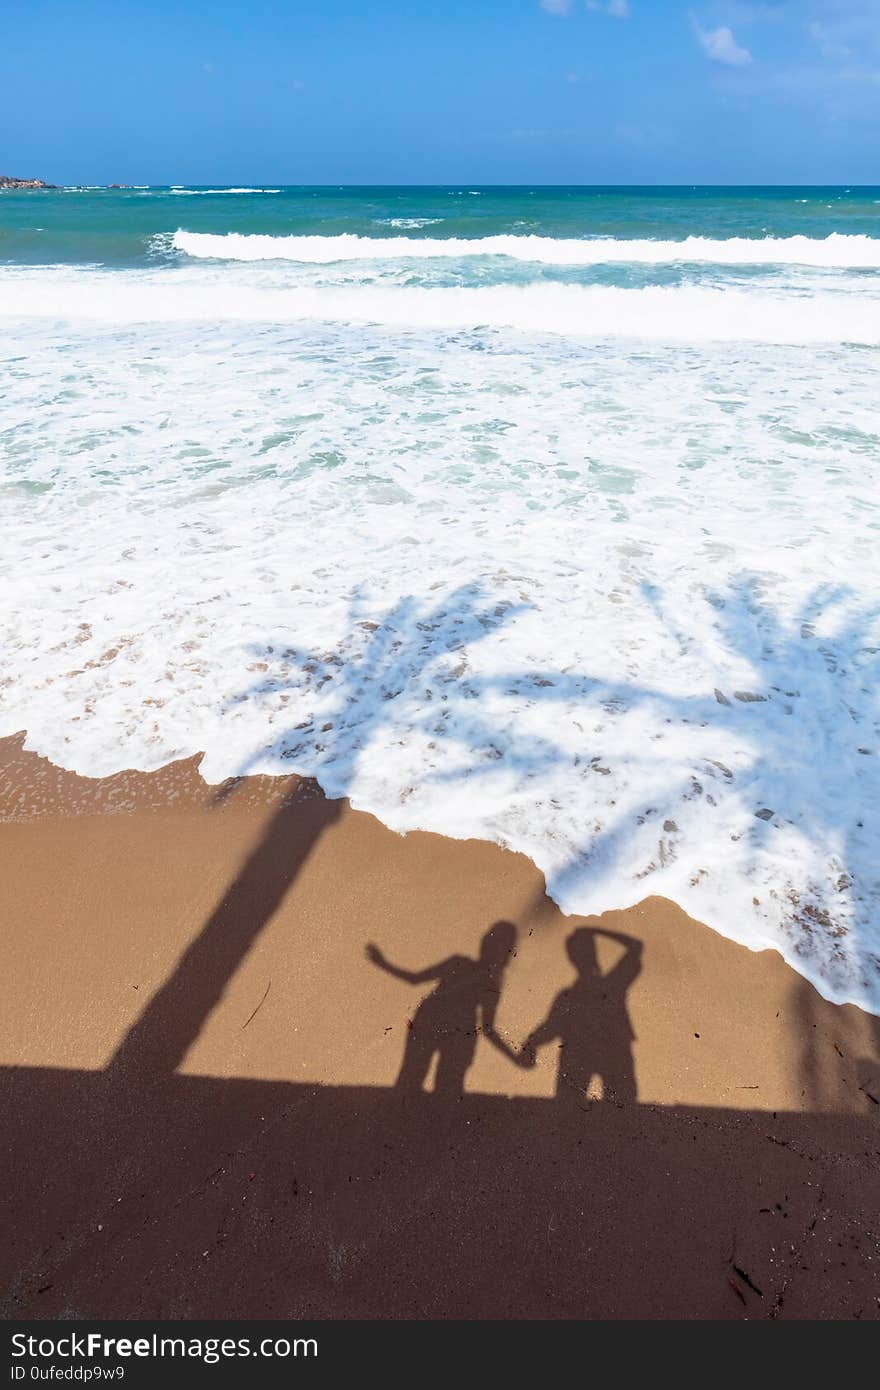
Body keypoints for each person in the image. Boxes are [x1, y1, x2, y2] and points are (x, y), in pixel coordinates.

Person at [366, 920, 518, 1100]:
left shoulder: (473, 972)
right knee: (434, 1086)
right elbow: (488, 1029)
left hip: (437, 1024)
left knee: (417, 1082)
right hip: (440, 1026)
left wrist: (382, 963)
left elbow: (414, 979)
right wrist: (515, 1058)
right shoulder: (485, 979)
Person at [520, 927, 641, 1104]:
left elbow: (551, 1027)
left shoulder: (608, 985)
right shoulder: (612, 985)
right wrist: (597, 931)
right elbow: (635, 947)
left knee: (573, 1111)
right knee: (614, 1111)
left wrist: (531, 1044)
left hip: (588, 1053)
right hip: (597, 1053)